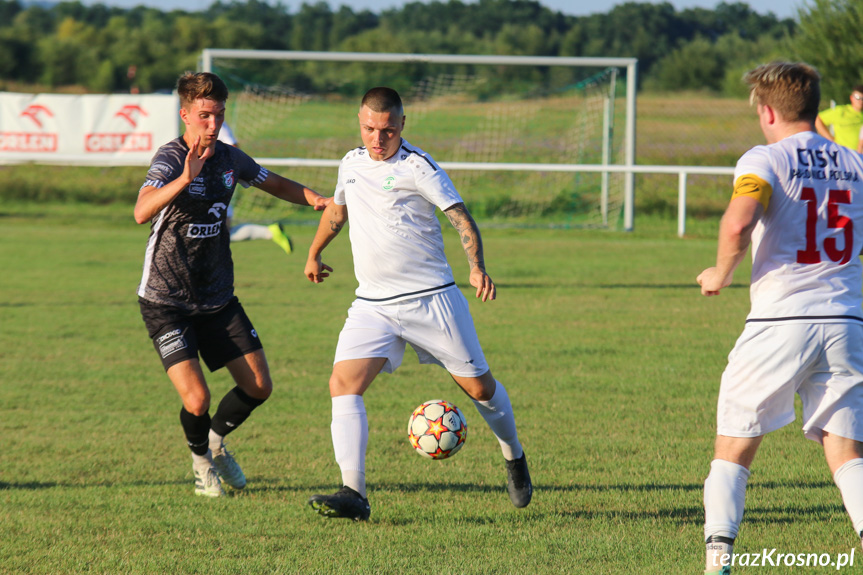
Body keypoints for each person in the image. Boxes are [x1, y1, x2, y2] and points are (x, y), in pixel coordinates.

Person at [303, 87, 531, 521]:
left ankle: (514, 456)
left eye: (387, 130)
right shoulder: (350, 164)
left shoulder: (417, 166)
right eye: (370, 128)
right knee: (342, 384)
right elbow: (337, 211)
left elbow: (460, 216)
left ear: (402, 126)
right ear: (359, 121)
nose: (378, 138)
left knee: (480, 389)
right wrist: (315, 252)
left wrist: (476, 266)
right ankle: (354, 492)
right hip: (372, 304)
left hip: (432, 300)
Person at [697, 62, 863, 574]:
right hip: (848, 321)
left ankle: (718, 557)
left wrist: (720, 273)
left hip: (781, 319)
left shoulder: (765, 158)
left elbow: (739, 221)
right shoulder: (857, 164)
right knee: (848, 452)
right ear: (814, 107)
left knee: (735, 444)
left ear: (767, 111)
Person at [134, 72, 330, 497]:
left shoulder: (229, 158)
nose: (213, 123)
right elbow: (141, 210)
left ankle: (217, 441)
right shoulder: (170, 158)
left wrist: (314, 198)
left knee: (259, 386)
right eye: (204, 115)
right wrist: (185, 178)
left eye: (219, 114)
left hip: (217, 297)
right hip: (167, 301)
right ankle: (201, 461)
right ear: (185, 114)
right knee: (197, 399)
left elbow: (270, 180)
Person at [218, 122, 294, 255]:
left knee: (218, 235)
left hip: (218, 185)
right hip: (211, 184)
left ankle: (269, 232)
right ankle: (270, 232)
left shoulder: (216, 124)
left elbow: (233, 148)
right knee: (219, 235)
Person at [814, 84, 863, 149]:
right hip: (842, 154)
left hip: (859, 156)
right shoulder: (841, 111)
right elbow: (817, 119)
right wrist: (830, 139)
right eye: (857, 97)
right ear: (851, 98)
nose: (860, 101)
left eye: (862, 98)